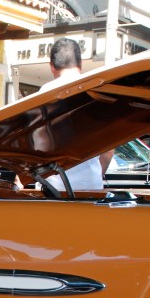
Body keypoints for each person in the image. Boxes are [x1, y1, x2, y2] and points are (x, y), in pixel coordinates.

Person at [41, 38, 112, 191]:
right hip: (92, 186)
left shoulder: (43, 94)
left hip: (54, 187)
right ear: (81, 63)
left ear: (52, 66)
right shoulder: (98, 91)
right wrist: (93, 176)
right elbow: (108, 150)